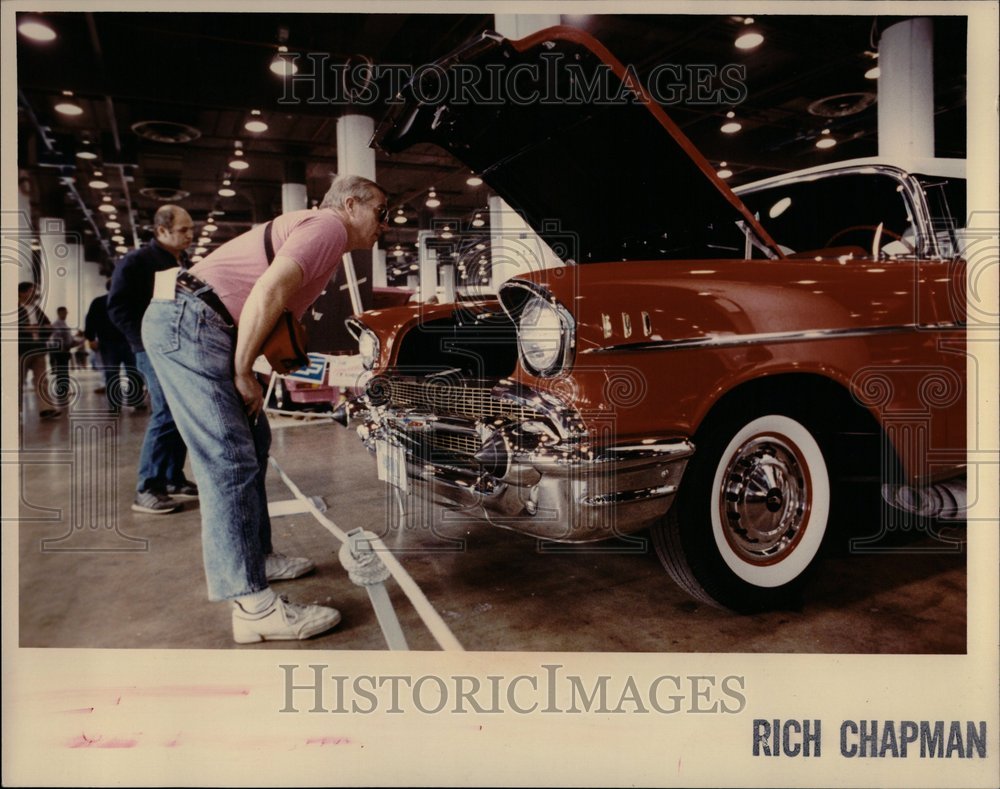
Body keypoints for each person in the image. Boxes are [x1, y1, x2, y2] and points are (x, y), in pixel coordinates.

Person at [141, 174, 388, 643]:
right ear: (351, 204)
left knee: (253, 442)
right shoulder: (328, 227)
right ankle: (253, 608)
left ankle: (255, 557)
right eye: (381, 211)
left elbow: (268, 310)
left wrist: (249, 366)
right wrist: (241, 372)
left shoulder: (324, 238)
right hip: (193, 323)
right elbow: (269, 292)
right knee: (228, 458)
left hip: (202, 323)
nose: (385, 224)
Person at [108, 205, 199, 514]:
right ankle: (147, 487)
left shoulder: (181, 260)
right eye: (183, 230)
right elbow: (117, 307)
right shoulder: (136, 262)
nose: (190, 235)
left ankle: (172, 478)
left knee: (179, 412)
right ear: (161, 231)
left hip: (178, 346)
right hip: (151, 348)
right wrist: (143, 339)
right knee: (165, 413)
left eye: (190, 229)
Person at [84, 279, 144, 412]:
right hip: (112, 343)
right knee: (122, 373)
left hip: (123, 343)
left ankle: (125, 402)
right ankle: (123, 402)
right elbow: (91, 320)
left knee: (123, 373)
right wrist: (90, 338)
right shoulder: (100, 302)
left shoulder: (128, 301)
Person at [17, 282, 60, 419]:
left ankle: (46, 409)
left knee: (42, 381)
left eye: (34, 291)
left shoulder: (36, 309)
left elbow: (47, 325)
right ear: (21, 293)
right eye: (30, 291)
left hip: (38, 349)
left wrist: (44, 329)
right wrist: (25, 329)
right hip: (21, 351)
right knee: (17, 382)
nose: (34, 294)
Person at [47, 306, 83, 410]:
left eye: (66, 313)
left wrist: (74, 341)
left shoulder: (63, 324)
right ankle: (62, 391)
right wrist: (66, 345)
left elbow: (67, 338)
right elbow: (57, 338)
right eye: (64, 313)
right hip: (60, 351)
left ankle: (64, 389)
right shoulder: (58, 324)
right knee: (62, 371)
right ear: (60, 313)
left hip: (63, 350)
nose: (66, 314)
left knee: (63, 371)